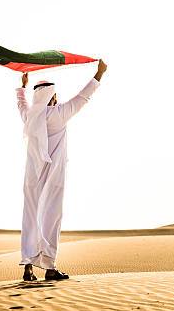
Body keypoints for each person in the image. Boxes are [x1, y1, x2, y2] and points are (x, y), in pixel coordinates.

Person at [16, 59, 107, 281]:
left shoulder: (30, 117)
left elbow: (21, 104)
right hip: (54, 178)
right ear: (52, 96)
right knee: (51, 217)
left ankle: (28, 266)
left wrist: (22, 86)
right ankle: (49, 267)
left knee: (30, 218)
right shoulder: (59, 114)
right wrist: (99, 73)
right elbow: (83, 97)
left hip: (31, 178)